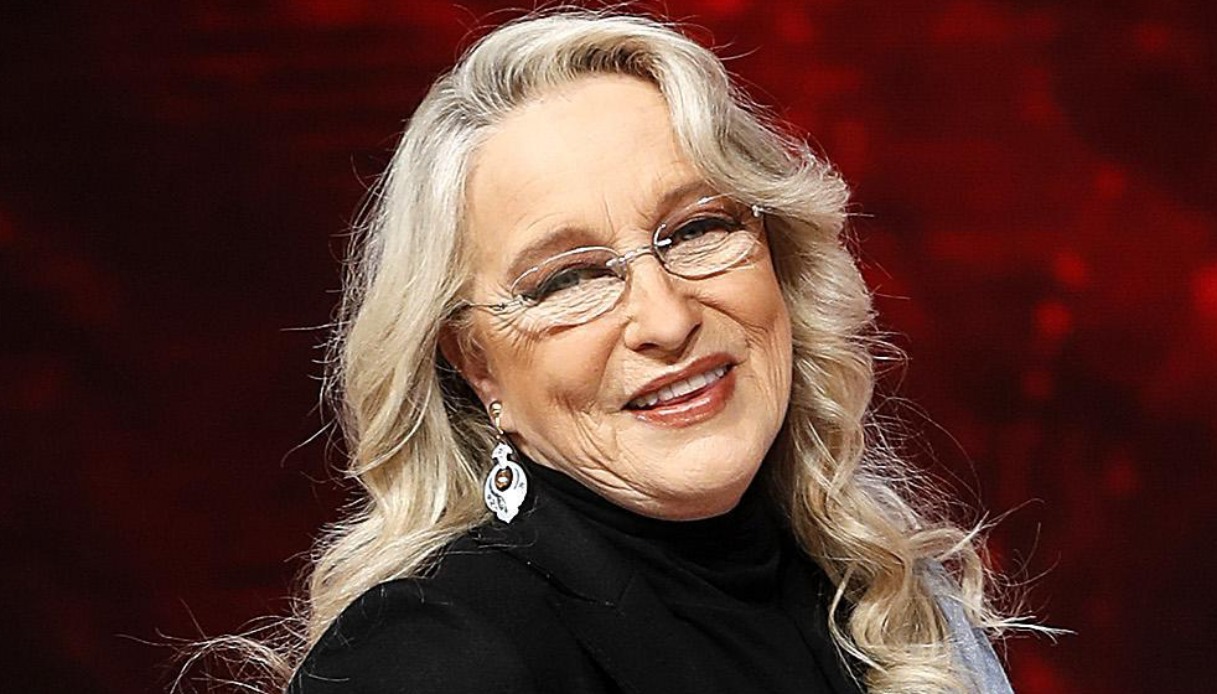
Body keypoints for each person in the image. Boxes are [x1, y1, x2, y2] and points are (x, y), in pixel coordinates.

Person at [247, 9, 1019, 694]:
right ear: (476, 363)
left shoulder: (888, 596)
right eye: (569, 278)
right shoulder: (430, 656)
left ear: (778, 257)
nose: (666, 318)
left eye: (697, 229)